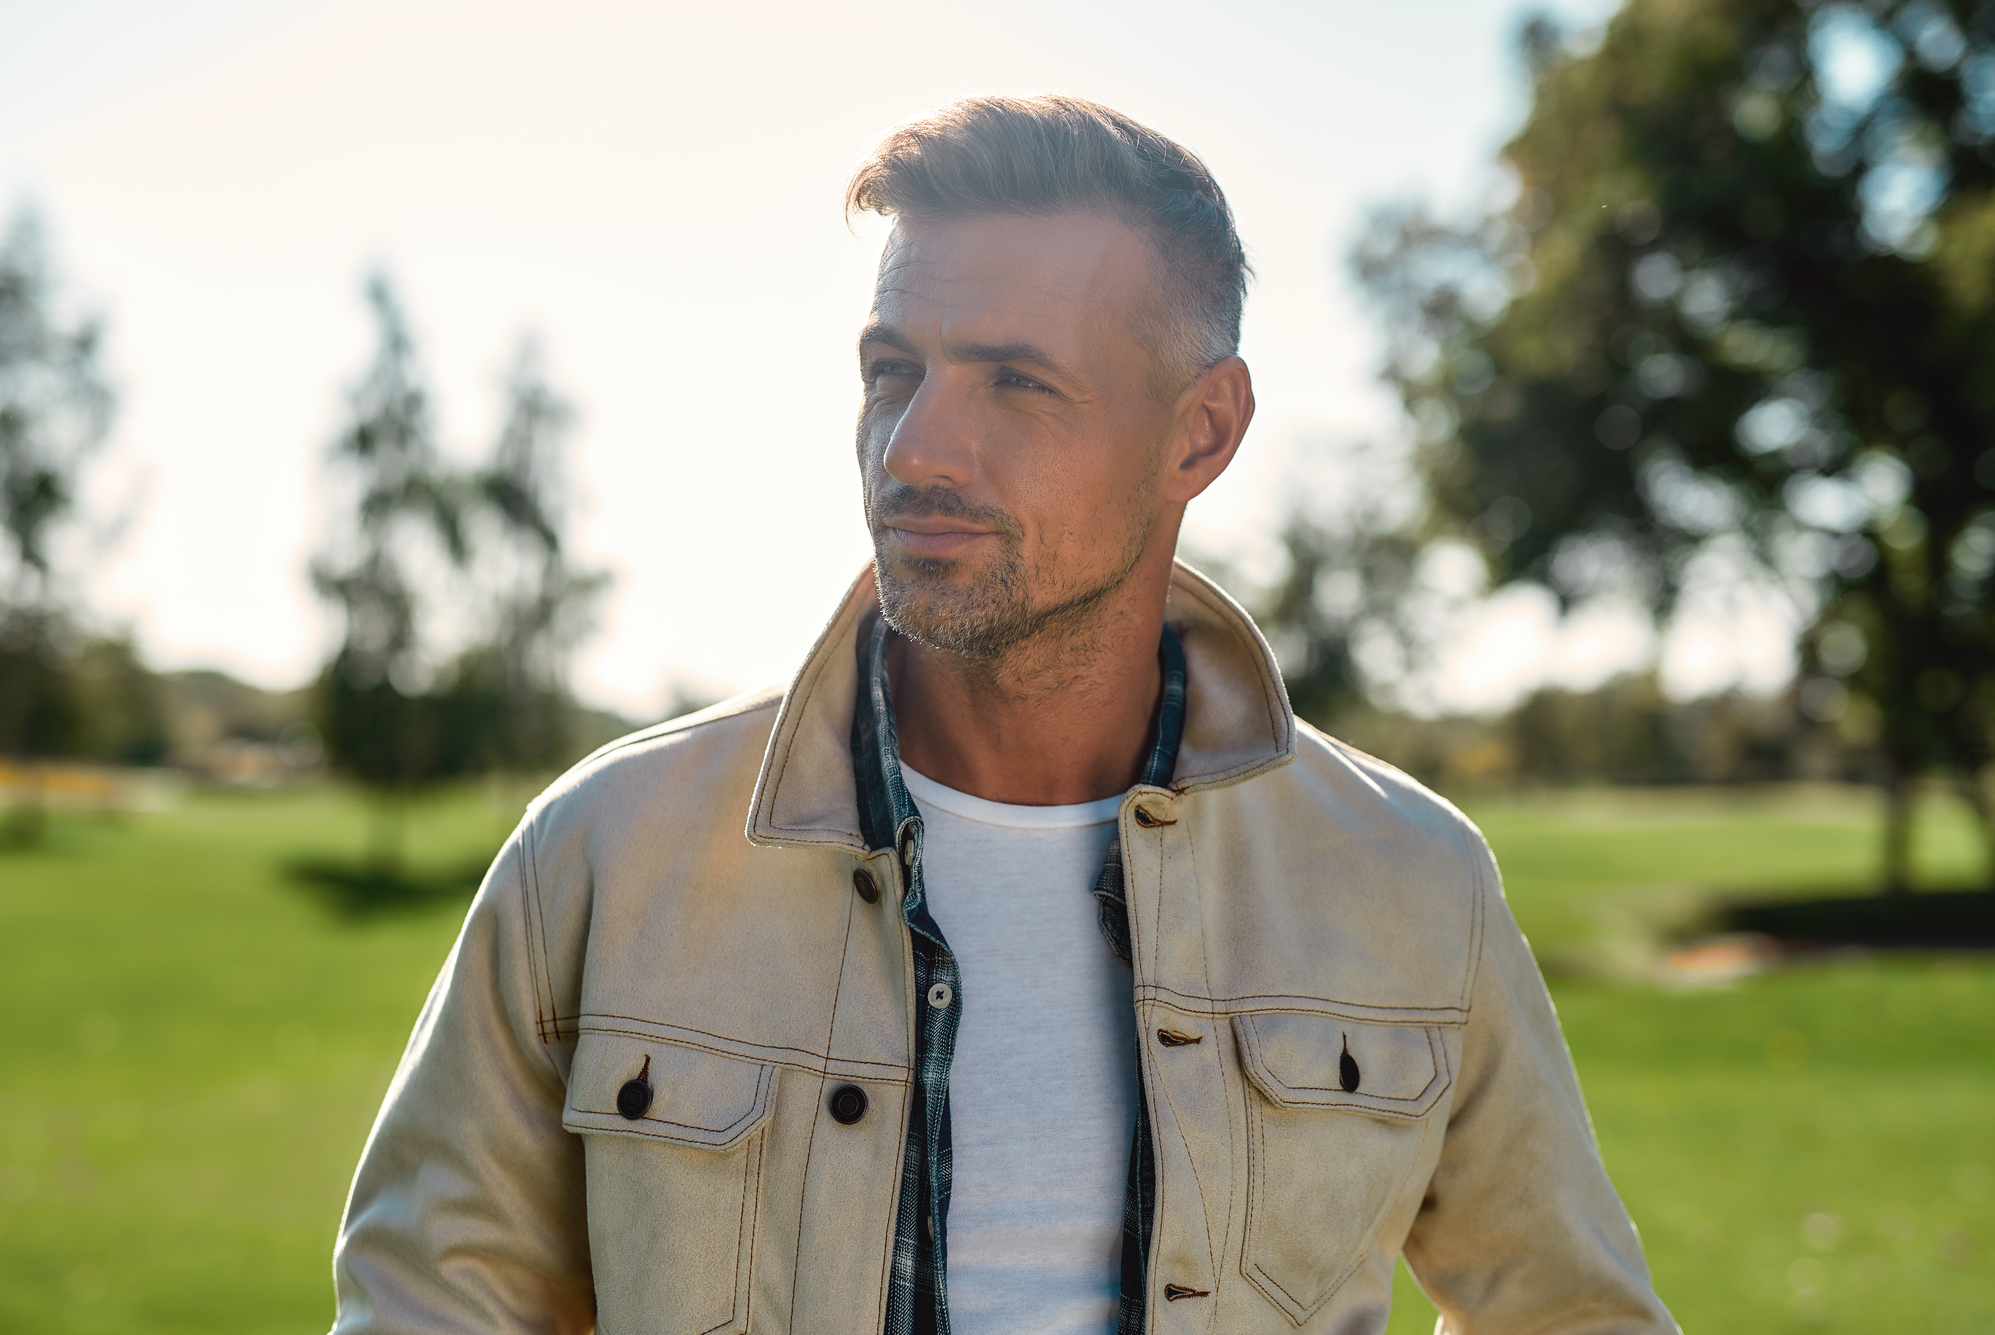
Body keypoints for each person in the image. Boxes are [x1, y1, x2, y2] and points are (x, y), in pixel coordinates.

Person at [330, 95, 1677, 1335]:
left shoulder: (1407, 882)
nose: (914, 446)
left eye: (1015, 382)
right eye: (889, 368)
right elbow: (422, 1311)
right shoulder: (606, 855)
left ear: (1200, 433)